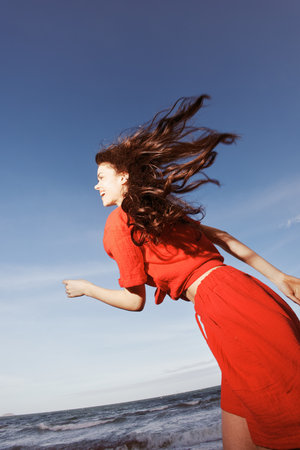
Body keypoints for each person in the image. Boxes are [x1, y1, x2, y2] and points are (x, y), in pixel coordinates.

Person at [63, 95, 300, 450]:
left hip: (223, 306)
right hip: (243, 290)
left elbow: (133, 301)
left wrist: (87, 288)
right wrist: (278, 277)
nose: (96, 185)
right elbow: (222, 237)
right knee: (242, 428)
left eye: (101, 177)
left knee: (287, 414)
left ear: (124, 176)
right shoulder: (155, 212)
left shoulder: (117, 224)